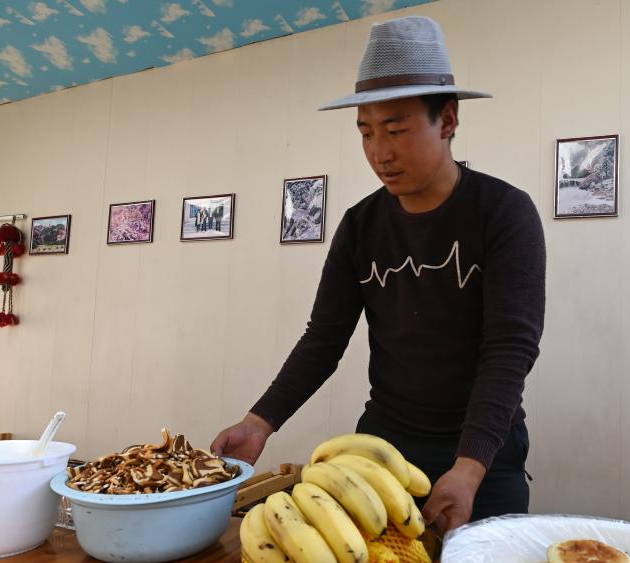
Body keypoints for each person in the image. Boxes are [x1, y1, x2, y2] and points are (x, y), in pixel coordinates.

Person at [212, 16, 546, 534]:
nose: (379, 152)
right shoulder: (360, 225)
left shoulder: (504, 212)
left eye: (396, 130)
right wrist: (260, 422)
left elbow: (509, 349)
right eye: (366, 132)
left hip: (483, 456)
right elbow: (323, 339)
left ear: (448, 120)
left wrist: (468, 468)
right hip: (383, 453)